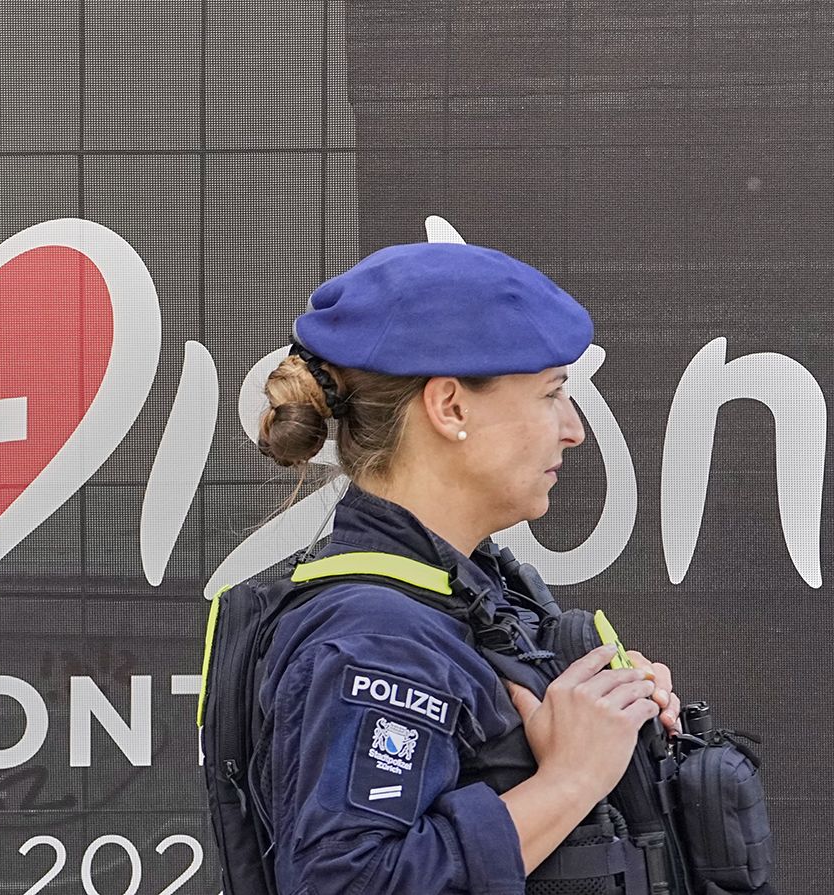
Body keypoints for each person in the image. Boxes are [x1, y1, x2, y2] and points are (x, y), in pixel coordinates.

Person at [247, 242, 683, 891]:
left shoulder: (469, 590)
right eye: (551, 393)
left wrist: (609, 719)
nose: (573, 429)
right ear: (450, 406)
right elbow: (349, 881)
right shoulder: (375, 634)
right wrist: (572, 779)